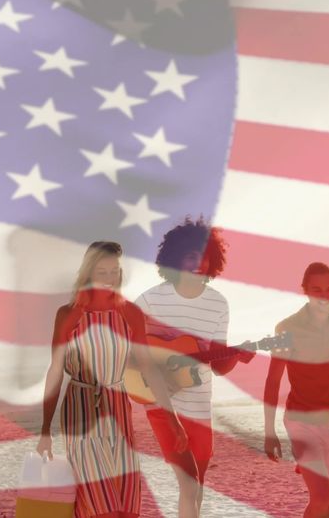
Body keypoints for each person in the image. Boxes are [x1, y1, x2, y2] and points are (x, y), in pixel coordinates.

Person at [36, 241, 187, 518]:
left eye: (114, 271)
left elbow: (150, 370)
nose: (109, 278)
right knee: (98, 507)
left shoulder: (130, 313)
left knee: (126, 507)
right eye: (101, 271)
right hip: (80, 413)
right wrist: (45, 430)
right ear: (88, 273)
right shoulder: (68, 315)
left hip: (119, 411)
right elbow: (55, 372)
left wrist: (172, 418)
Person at [135, 217, 251, 517]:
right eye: (190, 255)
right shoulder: (150, 301)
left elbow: (218, 367)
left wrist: (235, 355)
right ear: (175, 258)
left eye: (204, 255)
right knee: (188, 485)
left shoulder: (218, 304)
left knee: (197, 487)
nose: (198, 262)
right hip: (162, 404)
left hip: (200, 406)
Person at [263, 262, 329, 517]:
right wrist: (269, 431)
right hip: (302, 421)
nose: (324, 296)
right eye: (317, 289)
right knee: (321, 498)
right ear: (304, 290)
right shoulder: (286, 328)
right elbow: (273, 380)